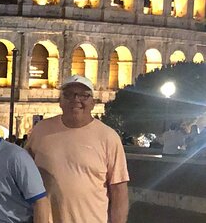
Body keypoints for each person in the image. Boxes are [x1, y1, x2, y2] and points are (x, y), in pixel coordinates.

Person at [26, 75, 129, 223]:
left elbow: (119, 190)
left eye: (83, 95)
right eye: (68, 95)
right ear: (60, 101)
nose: (76, 99)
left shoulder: (109, 137)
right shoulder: (41, 130)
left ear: (93, 103)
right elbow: (24, 172)